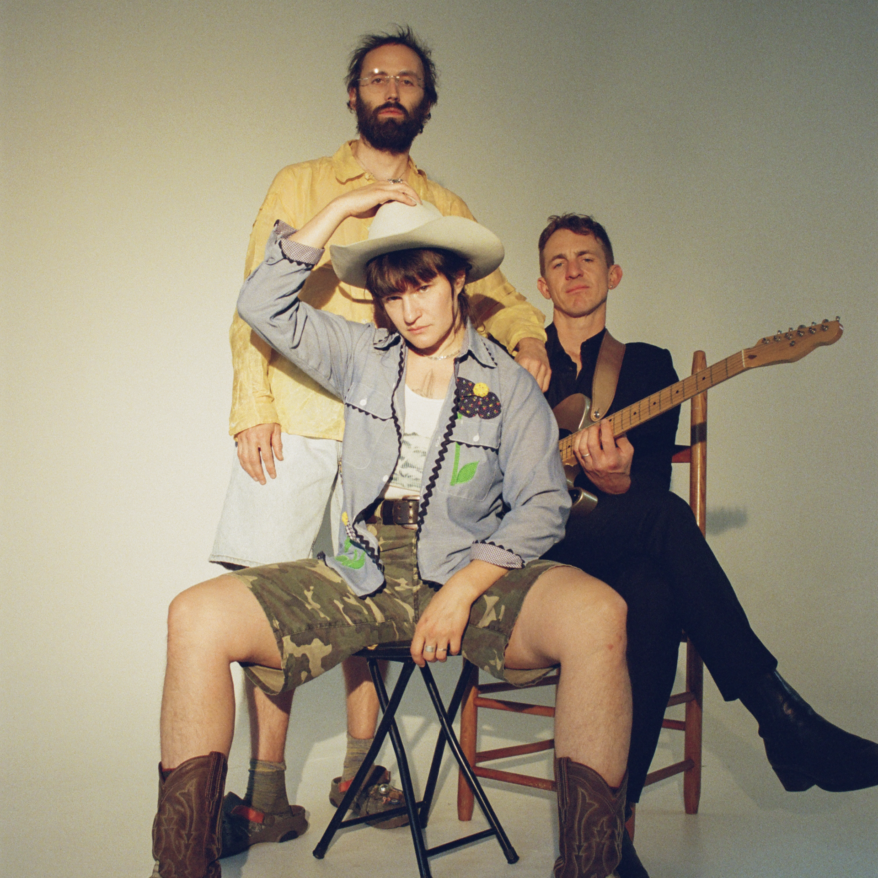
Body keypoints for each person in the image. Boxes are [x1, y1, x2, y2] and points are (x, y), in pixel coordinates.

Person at [150, 191, 633, 878]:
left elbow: (545, 502)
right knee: (193, 616)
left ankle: (593, 869)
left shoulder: (509, 384)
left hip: (468, 570)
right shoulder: (360, 355)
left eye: (423, 287)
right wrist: (346, 205)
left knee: (600, 613)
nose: (409, 310)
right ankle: (180, 868)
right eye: (392, 294)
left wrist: (463, 590)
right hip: (362, 571)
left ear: (458, 278)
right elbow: (261, 304)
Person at [209, 27, 552, 852]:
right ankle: (264, 792)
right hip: (297, 419)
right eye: (376, 76)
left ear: (425, 101)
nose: (391, 88)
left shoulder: (444, 207)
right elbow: (258, 296)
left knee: (373, 582)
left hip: (395, 430)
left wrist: (529, 337)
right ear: (353, 93)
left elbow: (500, 295)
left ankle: (362, 776)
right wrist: (252, 404)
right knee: (267, 599)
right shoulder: (301, 181)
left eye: (407, 79)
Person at [536, 213, 878, 878]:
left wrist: (618, 478)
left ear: (613, 274)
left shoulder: (648, 366)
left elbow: (648, 490)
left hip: (611, 533)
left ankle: (608, 836)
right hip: (533, 543)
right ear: (543, 284)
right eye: (558, 262)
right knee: (665, 529)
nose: (574, 270)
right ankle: (781, 718)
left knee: (655, 595)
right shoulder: (512, 356)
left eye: (587, 258)